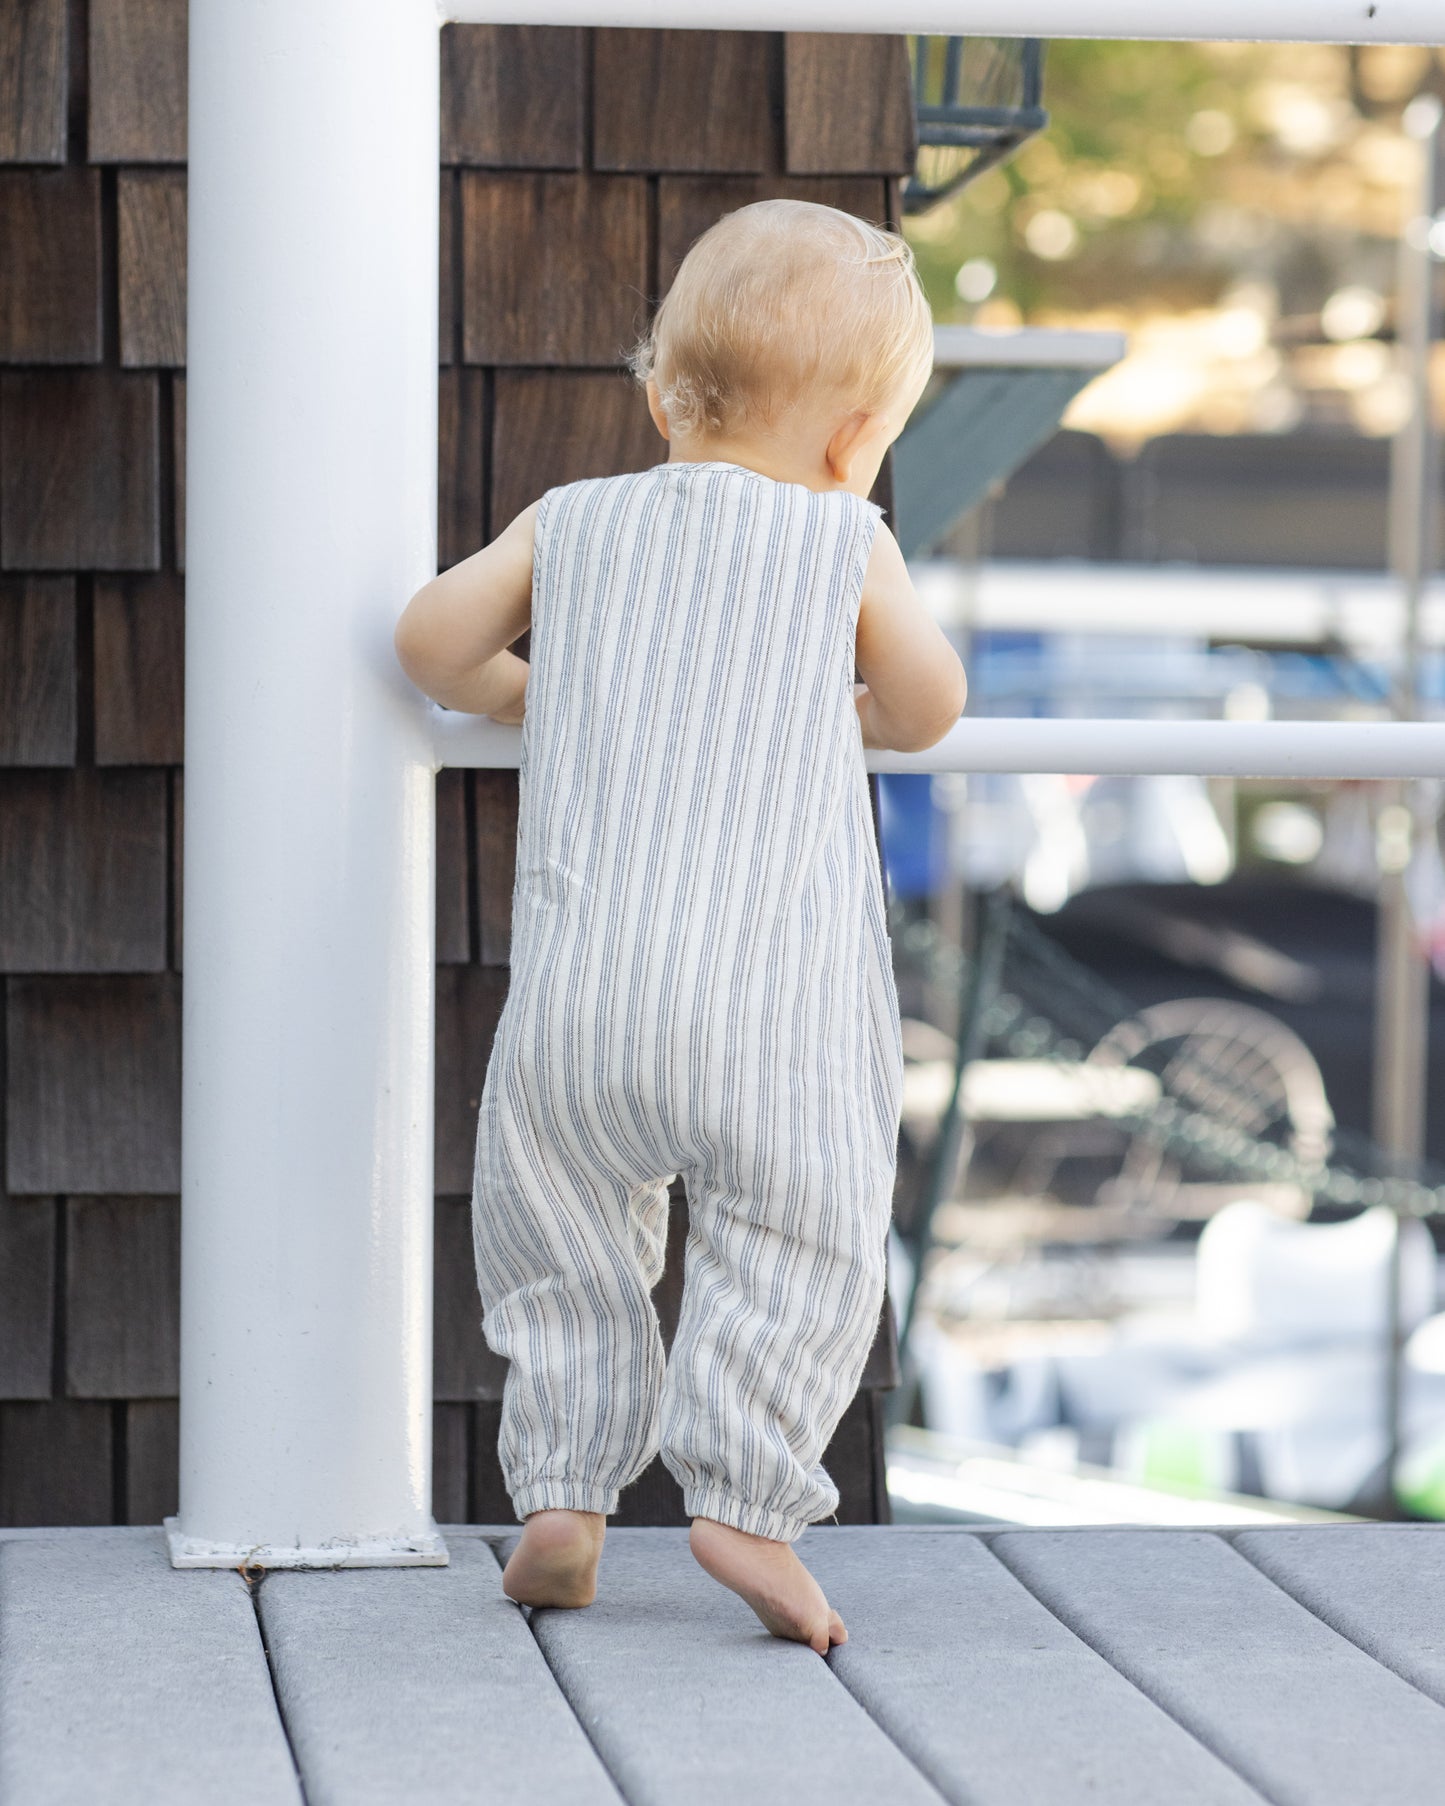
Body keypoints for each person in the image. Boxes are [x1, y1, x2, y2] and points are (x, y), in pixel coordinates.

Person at [393, 198, 966, 1655]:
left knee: (562, 1239)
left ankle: (565, 1497)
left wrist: (543, 688)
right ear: (855, 441)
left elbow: (433, 644)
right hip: (774, 1016)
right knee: (804, 1230)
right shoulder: (843, 537)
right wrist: (825, 699)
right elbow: (922, 709)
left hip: (583, 1009)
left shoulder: (575, 519)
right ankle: (750, 1500)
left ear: (659, 396)